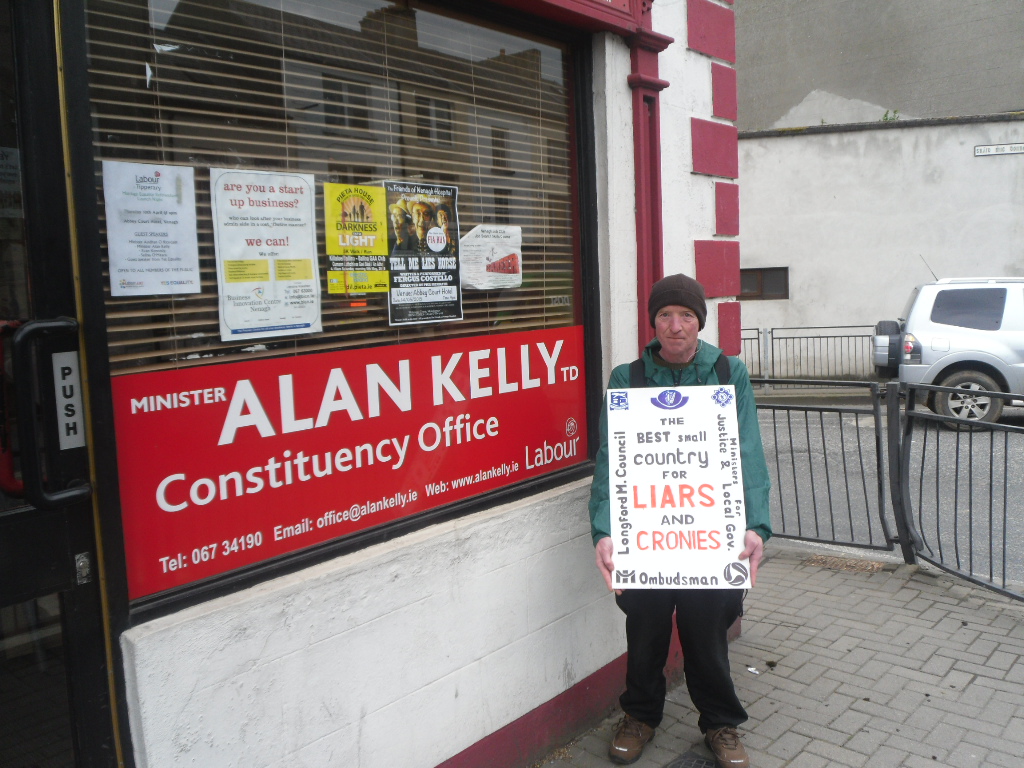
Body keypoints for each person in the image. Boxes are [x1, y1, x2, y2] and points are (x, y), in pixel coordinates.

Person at [588, 273, 771, 767]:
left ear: (699, 322)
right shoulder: (629, 378)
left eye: (686, 315)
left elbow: (747, 450)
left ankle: (720, 724)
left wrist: (756, 526)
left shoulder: (727, 372)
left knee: (705, 622)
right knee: (645, 623)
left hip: (710, 536)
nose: (675, 326)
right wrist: (605, 531)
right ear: (653, 323)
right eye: (665, 315)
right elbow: (612, 460)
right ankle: (641, 714)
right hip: (648, 537)